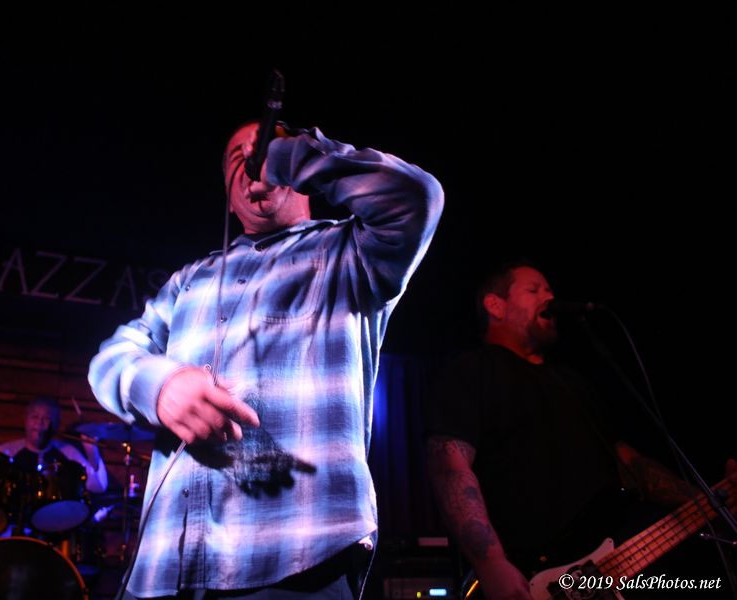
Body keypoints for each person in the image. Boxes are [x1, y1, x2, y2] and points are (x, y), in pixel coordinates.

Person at [89, 120, 443, 598]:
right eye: (239, 160)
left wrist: (292, 155)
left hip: (297, 556)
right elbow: (112, 356)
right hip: (165, 566)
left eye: (265, 152)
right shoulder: (190, 280)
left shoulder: (348, 252)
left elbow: (415, 198)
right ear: (227, 194)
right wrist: (159, 385)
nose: (253, 165)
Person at [423, 261, 735, 600]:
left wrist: (713, 500)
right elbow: (450, 466)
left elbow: (630, 466)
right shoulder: (472, 370)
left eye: (549, 289)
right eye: (534, 290)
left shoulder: (573, 383)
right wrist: (491, 562)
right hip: (529, 576)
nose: (549, 296)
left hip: (600, 571)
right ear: (495, 305)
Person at [0, 396, 108, 495]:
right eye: (34, 416)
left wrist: (91, 450)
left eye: (47, 418)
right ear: (25, 420)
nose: (39, 423)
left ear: (57, 424)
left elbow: (98, 487)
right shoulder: (5, 452)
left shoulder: (68, 452)